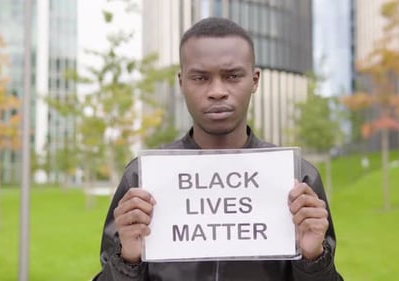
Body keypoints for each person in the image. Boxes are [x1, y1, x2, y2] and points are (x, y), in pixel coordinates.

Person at [93, 17, 343, 281]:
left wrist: (313, 258)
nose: (217, 91)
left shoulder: (296, 178)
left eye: (232, 76)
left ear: (255, 80)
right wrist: (129, 259)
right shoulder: (142, 179)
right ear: (181, 83)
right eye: (200, 78)